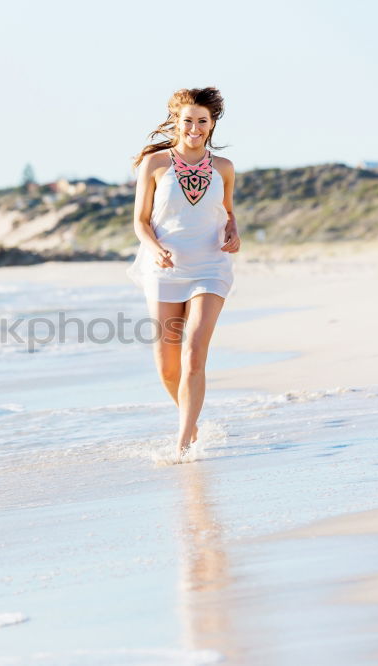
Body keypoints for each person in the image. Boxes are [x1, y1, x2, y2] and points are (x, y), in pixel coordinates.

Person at [126, 87, 241, 463]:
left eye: (202, 121)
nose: (194, 128)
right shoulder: (155, 164)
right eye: (188, 120)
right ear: (176, 122)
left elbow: (227, 211)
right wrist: (155, 248)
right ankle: (190, 422)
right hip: (165, 268)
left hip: (210, 266)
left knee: (194, 353)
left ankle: (183, 443)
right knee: (167, 364)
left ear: (211, 125)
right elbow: (141, 221)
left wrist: (233, 231)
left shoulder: (223, 168)